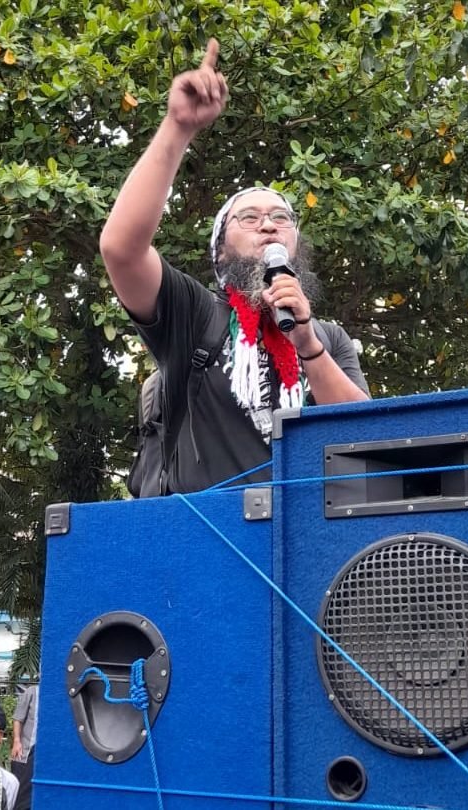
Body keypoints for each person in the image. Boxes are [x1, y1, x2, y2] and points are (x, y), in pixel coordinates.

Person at [100, 38, 369, 495]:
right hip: (212, 548)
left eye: (281, 218)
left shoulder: (329, 338)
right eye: (249, 218)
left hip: (312, 547)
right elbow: (121, 249)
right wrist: (177, 127)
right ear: (220, 251)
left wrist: (305, 342)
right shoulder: (196, 315)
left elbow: (367, 436)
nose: (269, 226)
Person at [10, 684, 38, 810]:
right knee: (21, 789)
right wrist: (16, 741)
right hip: (27, 750)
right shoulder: (32, 692)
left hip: (45, 752)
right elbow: (17, 718)